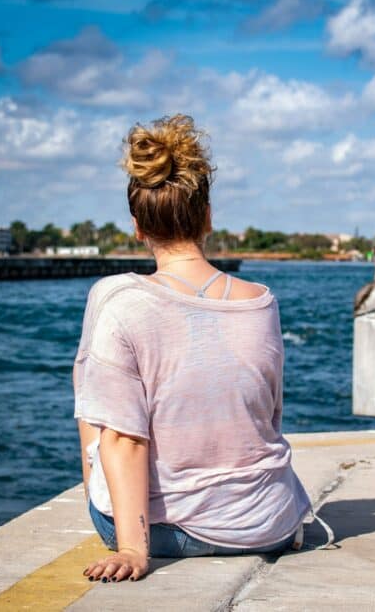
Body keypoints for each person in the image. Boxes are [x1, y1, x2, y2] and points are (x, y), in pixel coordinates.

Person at [73, 114, 313, 583]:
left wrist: (132, 550)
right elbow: (267, 413)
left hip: (174, 533)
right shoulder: (262, 302)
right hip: (272, 523)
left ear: (138, 228)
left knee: (94, 389)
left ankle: (128, 527)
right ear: (207, 217)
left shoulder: (118, 300)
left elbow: (123, 437)